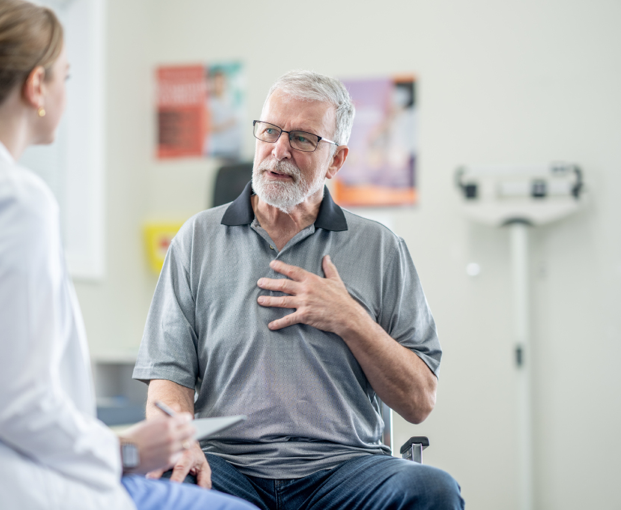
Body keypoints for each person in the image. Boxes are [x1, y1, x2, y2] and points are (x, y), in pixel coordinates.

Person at [0, 2, 256, 510]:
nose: (69, 93)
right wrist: (126, 449)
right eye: (66, 76)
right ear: (36, 87)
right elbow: (17, 406)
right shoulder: (13, 198)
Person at [133, 70, 465, 510]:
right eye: (270, 131)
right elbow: (168, 378)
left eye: (304, 138)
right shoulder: (197, 239)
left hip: (345, 469)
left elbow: (419, 401)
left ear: (336, 160)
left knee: (433, 490)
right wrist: (179, 444)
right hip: (228, 466)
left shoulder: (381, 248)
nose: (279, 150)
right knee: (157, 493)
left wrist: (351, 320)